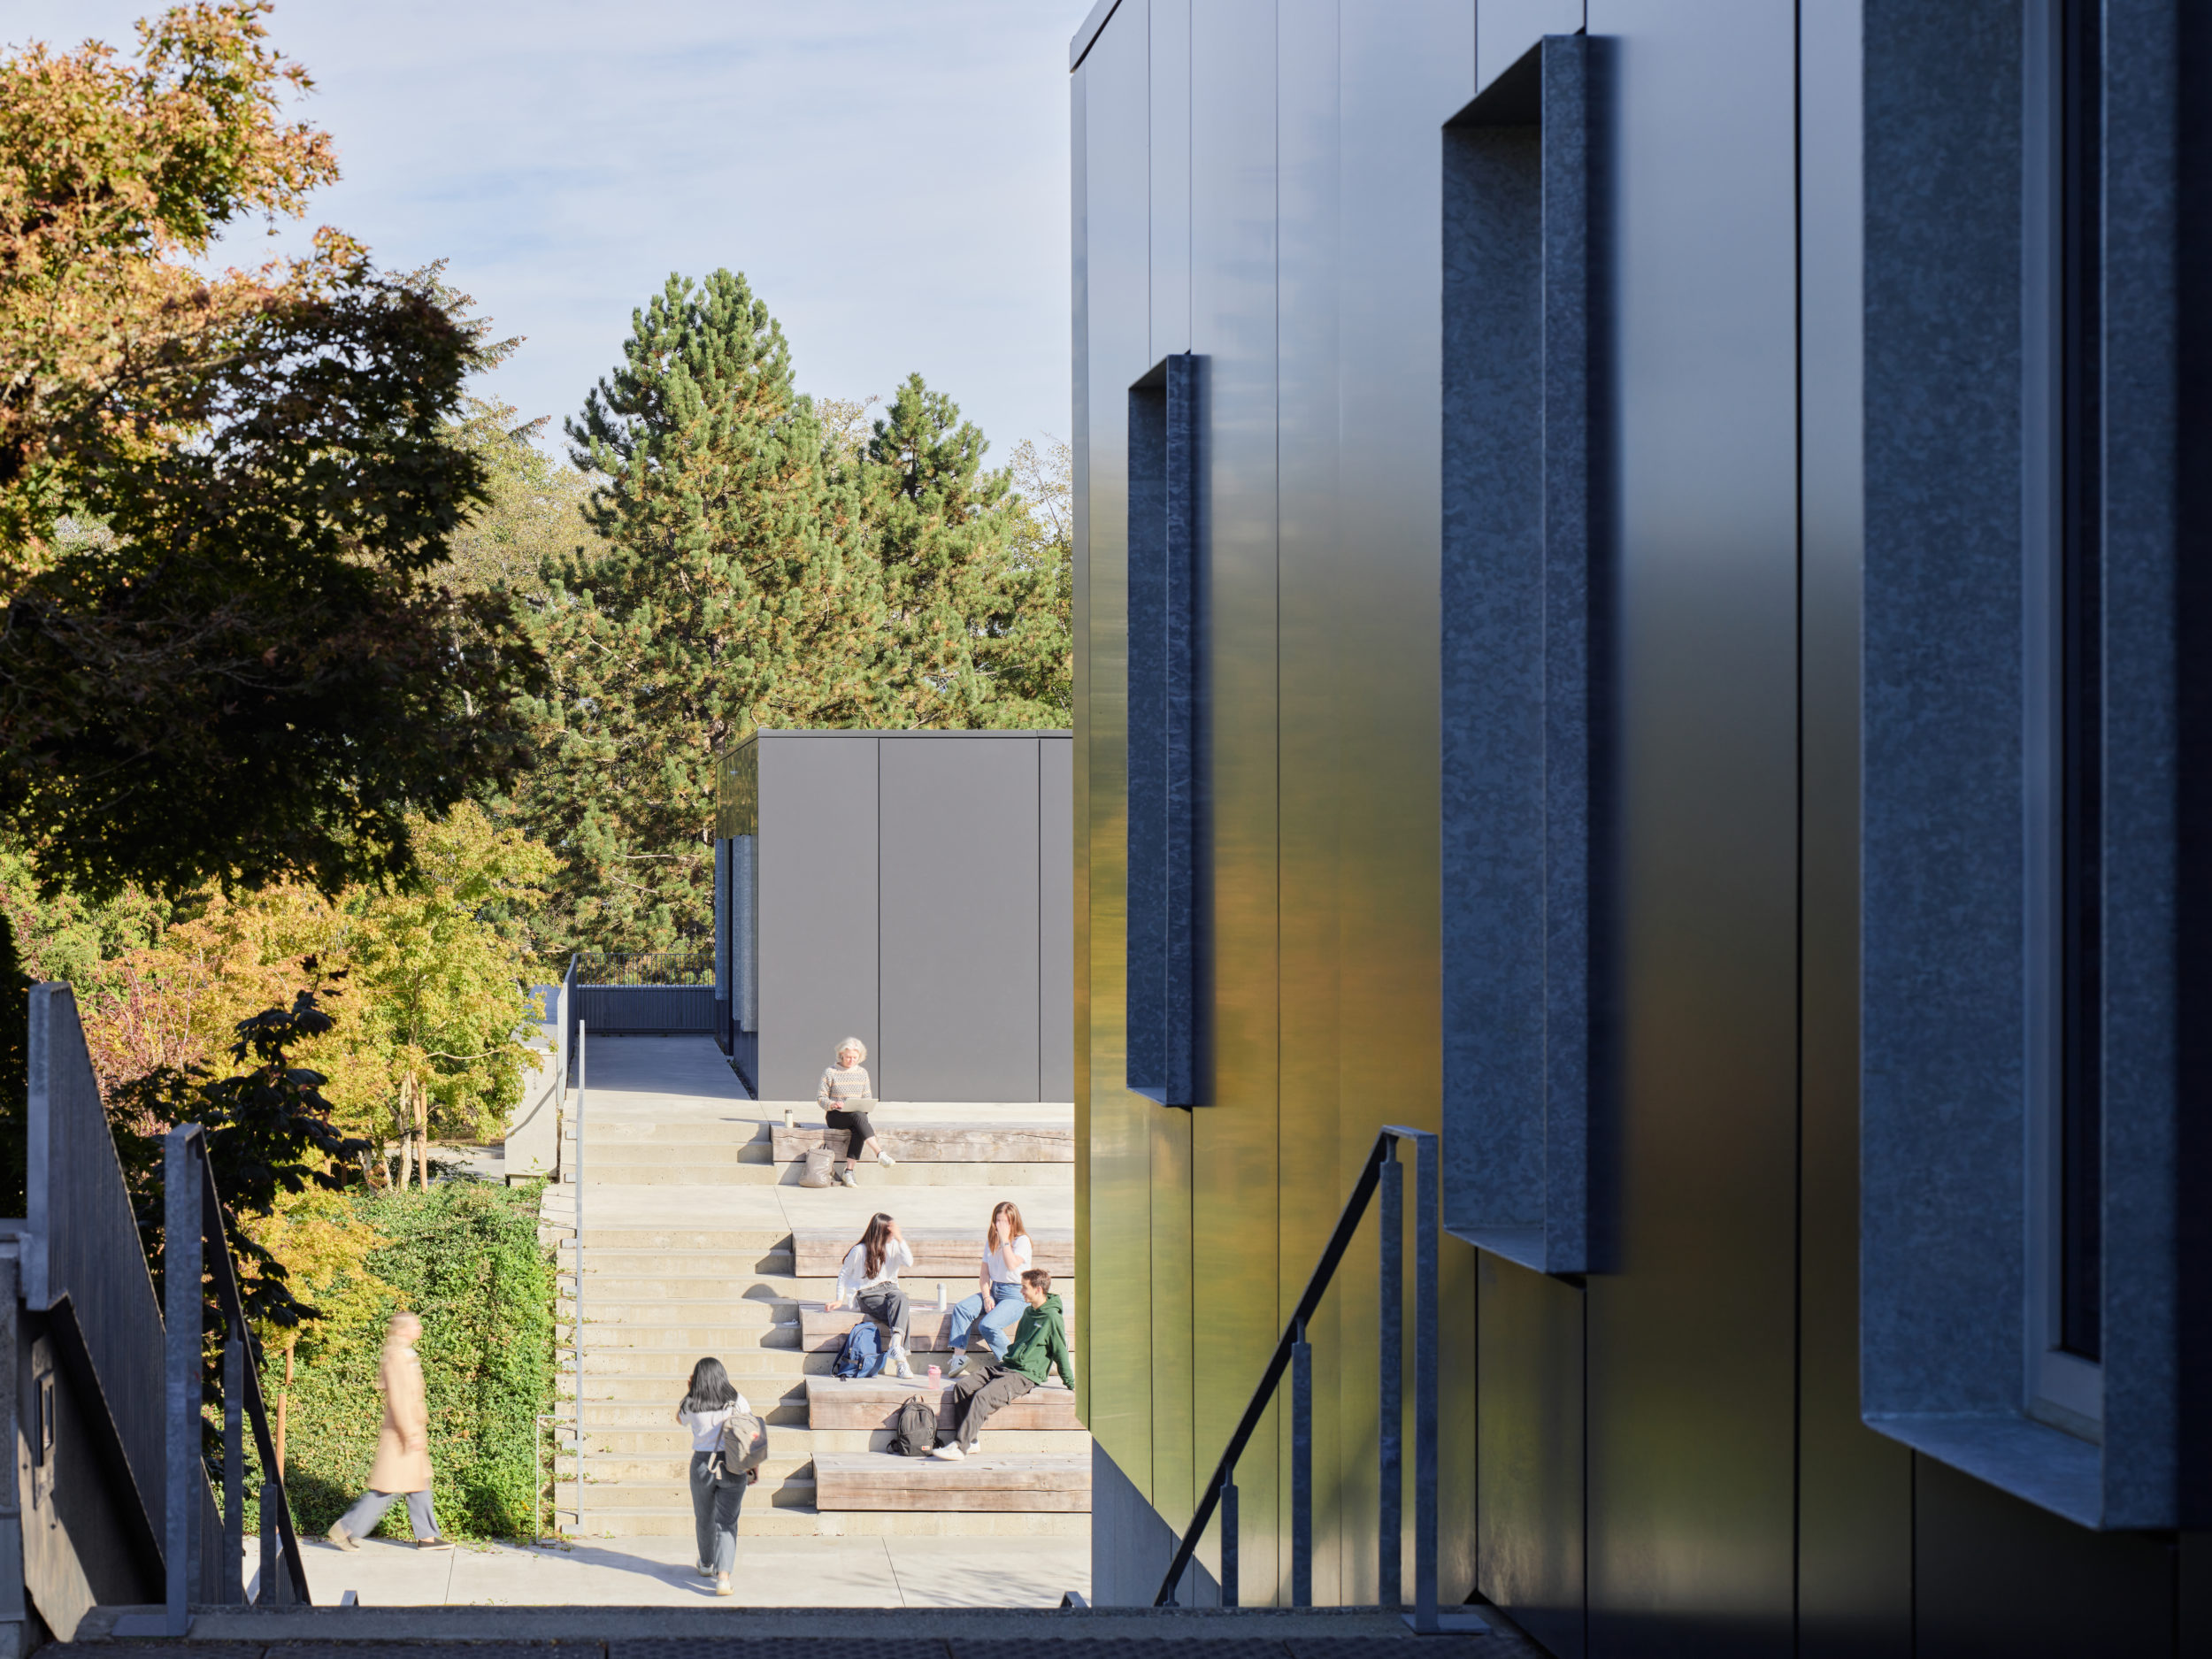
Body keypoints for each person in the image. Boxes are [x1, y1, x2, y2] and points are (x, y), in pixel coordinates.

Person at [326, 1312, 452, 1551]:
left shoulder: (406, 1354)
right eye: (415, 1325)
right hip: (401, 1434)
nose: (420, 1328)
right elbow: (399, 1399)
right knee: (386, 1489)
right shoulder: (396, 1357)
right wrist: (410, 1433)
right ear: (404, 1330)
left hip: (410, 1430)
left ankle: (427, 1537)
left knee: (419, 1483)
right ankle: (345, 1529)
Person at [932, 1268, 1075, 1461]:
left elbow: (1060, 1353)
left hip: (1026, 1375)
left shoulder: (1052, 1318)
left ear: (1039, 1290)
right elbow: (1018, 1344)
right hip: (1008, 1367)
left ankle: (959, 1447)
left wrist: (1071, 1383)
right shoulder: (1029, 1312)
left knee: (983, 1397)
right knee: (962, 1387)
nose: (1021, 1292)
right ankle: (971, 1441)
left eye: (1024, 1288)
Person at [677, 1356, 754, 1597]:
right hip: (733, 1463)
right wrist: (753, 1467)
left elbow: (679, 1420)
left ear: (697, 1378)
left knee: (704, 1517)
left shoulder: (691, 1403)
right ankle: (723, 1577)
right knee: (727, 1523)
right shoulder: (737, 1401)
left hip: (702, 1463)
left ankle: (706, 1564)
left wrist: (690, 1391)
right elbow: (751, 1432)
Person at [943, 1201, 1033, 1378]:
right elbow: (984, 1274)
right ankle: (958, 1358)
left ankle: (1013, 1363)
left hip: (1016, 1295)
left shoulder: (1022, 1241)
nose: (1001, 1226)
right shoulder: (991, 1241)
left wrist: (1005, 1240)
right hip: (994, 1290)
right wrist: (986, 1297)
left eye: (1005, 1222)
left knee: (988, 1325)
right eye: (998, 1222)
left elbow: (1012, 1265)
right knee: (962, 1309)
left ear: (1014, 1222)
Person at [826, 1212, 917, 1379]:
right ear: (881, 1232)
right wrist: (840, 1299)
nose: (894, 1234)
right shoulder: (860, 1250)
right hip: (867, 1293)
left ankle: (896, 1347)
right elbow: (844, 1273)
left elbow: (909, 1262)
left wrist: (900, 1238)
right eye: (891, 1231)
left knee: (902, 1298)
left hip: (890, 1289)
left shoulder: (895, 1245)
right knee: (902, 1314)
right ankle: (902, 1362)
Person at [818, 1036, 895, 1187]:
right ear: (841, 1055)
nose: (851, 1060)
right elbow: (821, 1098)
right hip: (836, 1116)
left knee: (859, 1123)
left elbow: (867, 1097)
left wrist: (863, 1105)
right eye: (848, 1057)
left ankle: (849, 1172)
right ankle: (879, 1153)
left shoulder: (862, 1073)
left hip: (856, 1116)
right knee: (859, 1120)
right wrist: (834, 1104)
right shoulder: (830, 1072)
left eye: (855, 1057)